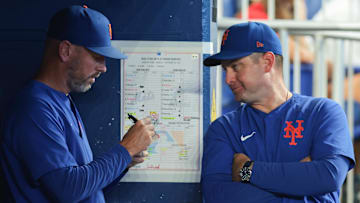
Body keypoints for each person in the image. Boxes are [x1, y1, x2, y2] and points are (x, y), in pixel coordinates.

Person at [0, 5, 154, 202]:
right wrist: (126, 149)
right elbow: (67, 189)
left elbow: (85, 190)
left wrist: (123, 162)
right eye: (97, 56)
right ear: (65, 51)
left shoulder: (62, 100)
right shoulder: (34, 108)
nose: (104, 68)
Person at [201, 22, 355, 202]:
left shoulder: (323, 112)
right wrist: (301, 183)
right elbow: (218, 194)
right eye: (225, 69)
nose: (228, 79)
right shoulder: (223, 128)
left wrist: (247, 171)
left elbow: (329, 175)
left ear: (267, 62)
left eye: (235, 66)